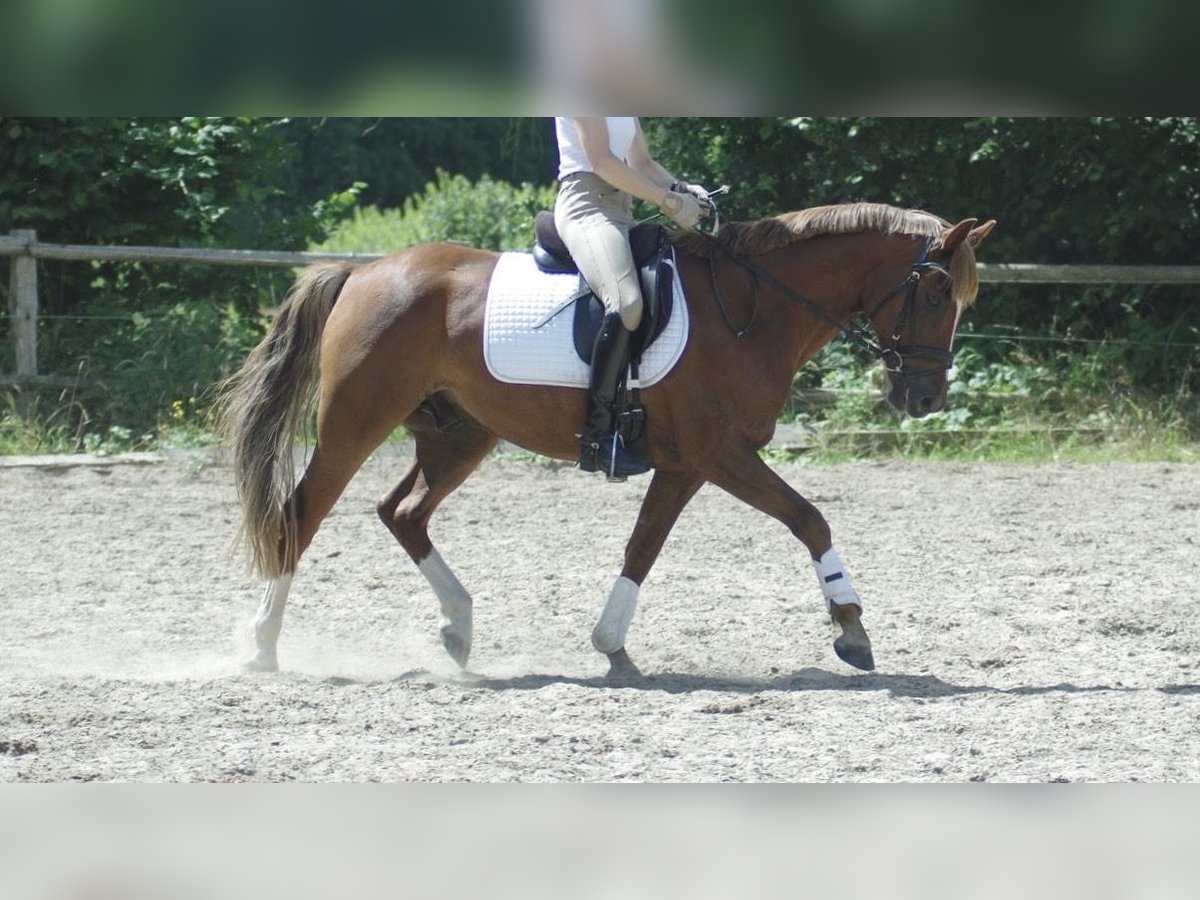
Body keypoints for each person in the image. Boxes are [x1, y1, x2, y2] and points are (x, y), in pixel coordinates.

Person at [554, 116, 708, 479]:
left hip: (624, 210)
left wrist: (685, 188)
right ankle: (598, 439)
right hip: (587, 207)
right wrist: (668, 200)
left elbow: (642, 163)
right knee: (626, 303)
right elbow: (602, 161)